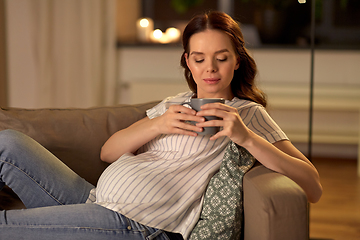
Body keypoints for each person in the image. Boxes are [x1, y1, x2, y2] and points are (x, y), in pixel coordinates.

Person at [0, 11, 322, 240]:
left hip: (136, 224)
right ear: (187, 61)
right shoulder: (174, 103)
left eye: (221, 58)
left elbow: (313, 185)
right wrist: (158, 125)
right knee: (8, 142)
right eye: (199, 58)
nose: (209, 68)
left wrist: (247, 138)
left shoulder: (247, 114)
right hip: (93, 198)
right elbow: (107, 151)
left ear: (237, 60)